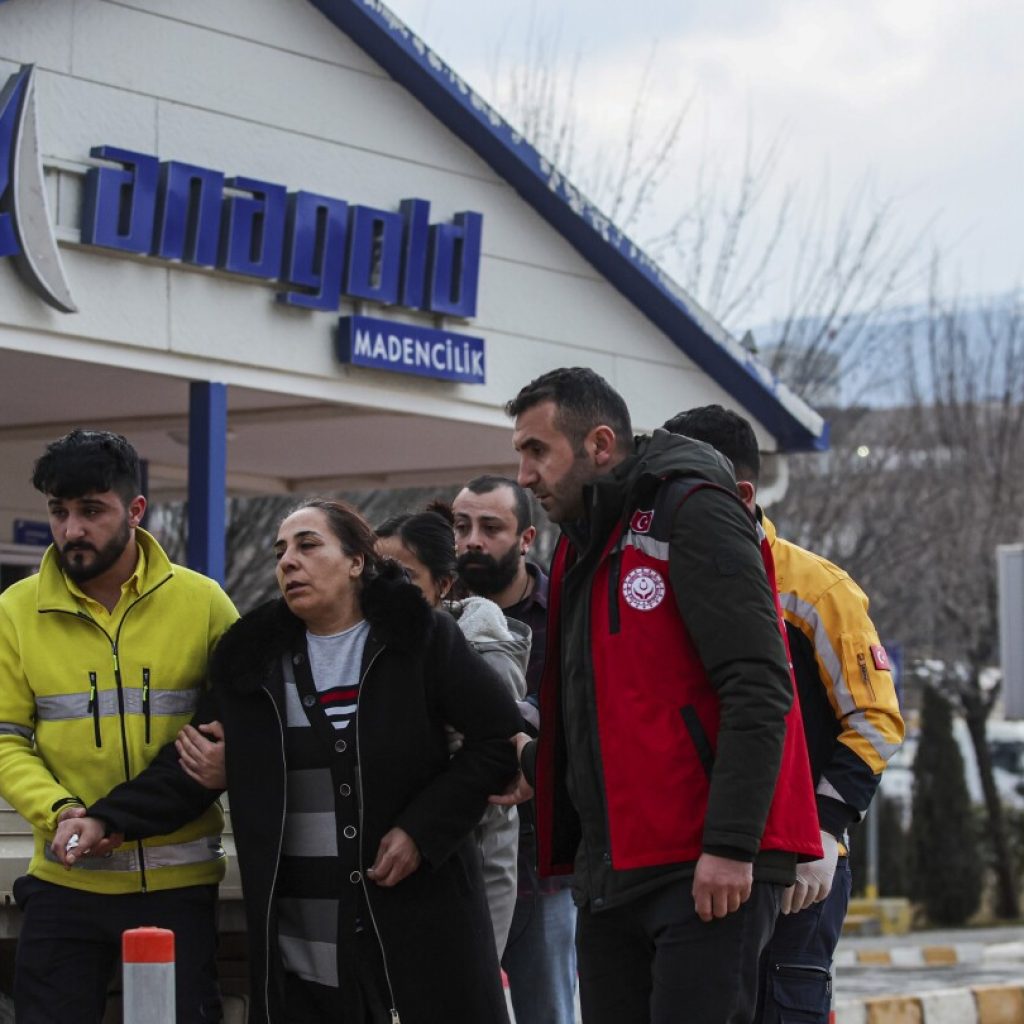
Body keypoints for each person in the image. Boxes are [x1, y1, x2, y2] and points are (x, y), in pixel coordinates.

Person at [54, 498, 523, 1024]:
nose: (287, 562)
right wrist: (106, 818)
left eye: (307, 545)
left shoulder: (420, 639)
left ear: (356, 561)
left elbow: (498, 739)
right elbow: (187, 767)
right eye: (280, 551)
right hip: (302, 952)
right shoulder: (250, 662)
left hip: (419, 938)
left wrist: (421, 830)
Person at [495, 368, 823, 1024]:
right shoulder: (577, 549)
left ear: (600, 444)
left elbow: (758, 685)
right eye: (521, 455)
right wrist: (534, 765)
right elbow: (599, 716)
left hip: (708, 872)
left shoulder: (694, 507)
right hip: (612, 878)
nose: (525, 476)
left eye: (538, 451)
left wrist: (731, 847)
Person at [663, 405, 905, 1024]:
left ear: (737, 492)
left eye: (679, 488)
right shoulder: (661, 578)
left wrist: (824, 829)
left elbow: (876, 717)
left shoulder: (815, 589)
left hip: (802, 872)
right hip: (696, 858)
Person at [0, 428, 238, 1023]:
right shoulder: (14, 611)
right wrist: (61, 812)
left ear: (136, 510)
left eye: (91, 510)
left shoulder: (204, 602)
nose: (72, 529)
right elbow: (5, 740)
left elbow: (242, 723)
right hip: (63, 885)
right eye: (59, 511)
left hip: (178, 888)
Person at [375, 504, 530, 958]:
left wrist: (419, 828)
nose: (387, 590)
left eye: (403, 575)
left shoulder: (481, 652)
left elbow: (491, 764)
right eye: (376, 573)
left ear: (442, 585)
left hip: (473, 861)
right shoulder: (379, 643)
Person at [452, 476, 578, 1024]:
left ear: (526, 537)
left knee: (545, 1010)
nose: (471, 541)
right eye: (461, 527)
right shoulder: (440, 616)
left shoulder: (571, 609)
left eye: (490, 527)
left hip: (545, 863)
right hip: (455, 852)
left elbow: (582, 707)